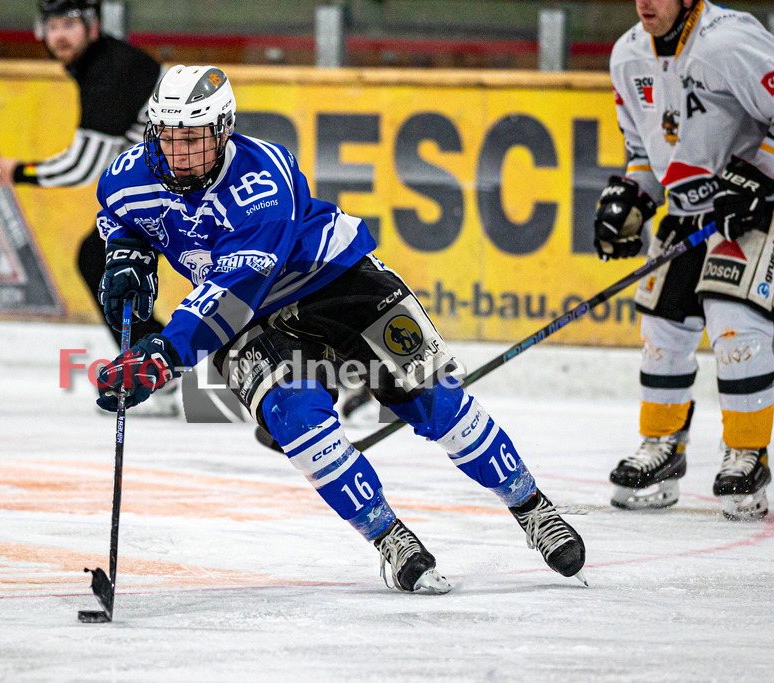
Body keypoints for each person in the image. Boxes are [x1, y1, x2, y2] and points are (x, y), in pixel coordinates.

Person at [92, 64, 587, 592]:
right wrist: (126, 255)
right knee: (296, 420)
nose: (179, 152)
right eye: (168, 136)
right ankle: (390, 537)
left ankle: (532, 507)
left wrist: (165, 354)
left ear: (224, 129)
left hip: (333, 279)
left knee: (433, 398)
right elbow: (121, 218)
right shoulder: (126, 176)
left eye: (193, 138)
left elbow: (235, 293)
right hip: (245, 319)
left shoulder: (263, 180)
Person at [595, 0, 774, 520]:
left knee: (734, 320)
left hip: (751, 209)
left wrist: (759, 178)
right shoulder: (627, 55)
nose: (645, 2)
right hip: (686, 210)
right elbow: (644, 154)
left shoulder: (729, 41)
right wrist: (634, 197)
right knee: (662, 327)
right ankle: (663, 446)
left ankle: (747, 452)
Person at [0, 0, 178, 414]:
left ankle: (159, 371)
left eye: (70, 24)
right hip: (175, 186)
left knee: (105, 260)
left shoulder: (109, 72)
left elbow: (84, 165)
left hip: (185, 189)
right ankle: (161, 368)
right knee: (102, 257)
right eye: (52, 25)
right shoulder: (107, 64)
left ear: (93, 27)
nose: (59, 35)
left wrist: (19, 171)